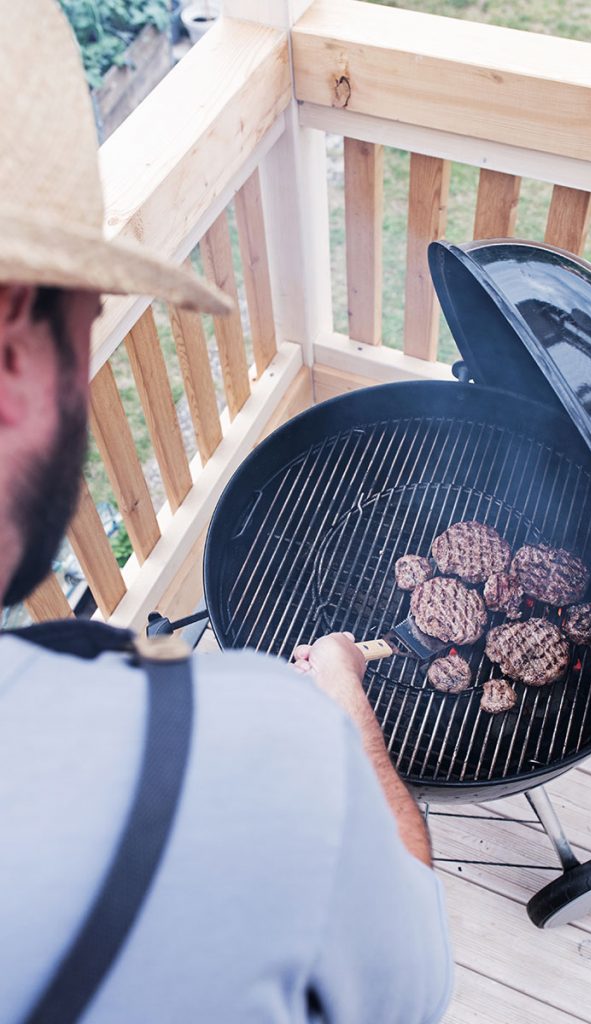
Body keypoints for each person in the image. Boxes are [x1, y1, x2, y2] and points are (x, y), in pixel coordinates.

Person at [0, 1, 453, 1022]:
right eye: (88, 313)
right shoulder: (255, 764)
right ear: (12, 346)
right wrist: (338, 698)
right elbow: (415, 982)